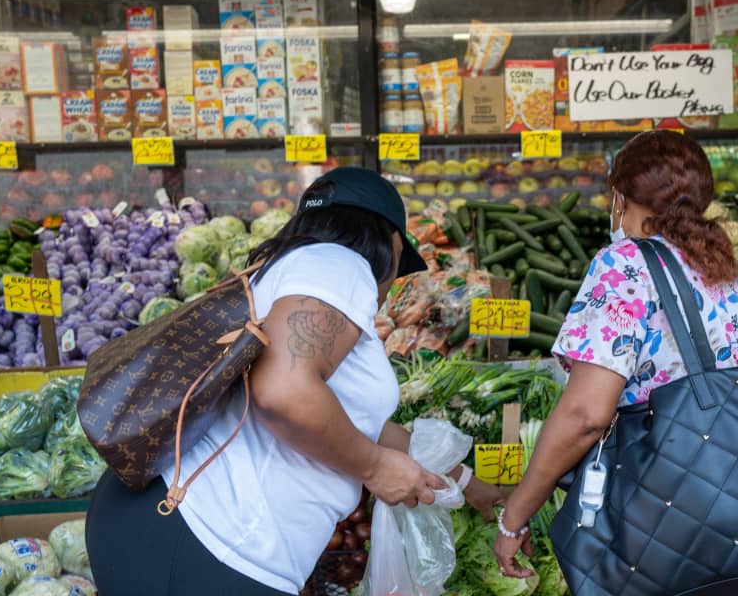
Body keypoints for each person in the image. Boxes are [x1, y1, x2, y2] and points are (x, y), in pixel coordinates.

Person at [87, 167, 504, 595]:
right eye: (400, 263)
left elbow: (360, 426)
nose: (393, 281)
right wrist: (375, 468)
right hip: (207, 541)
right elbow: (284, 391)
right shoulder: (338, 263)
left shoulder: (284, 274)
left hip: (162, 522)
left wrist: (465, 482)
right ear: (386, 241)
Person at [490, 130, 738, 579]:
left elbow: (586, 416)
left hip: (651, 509)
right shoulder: (727, 273)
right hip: (726, 506)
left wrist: (514, 516)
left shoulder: (624, 267)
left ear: (619, 196)